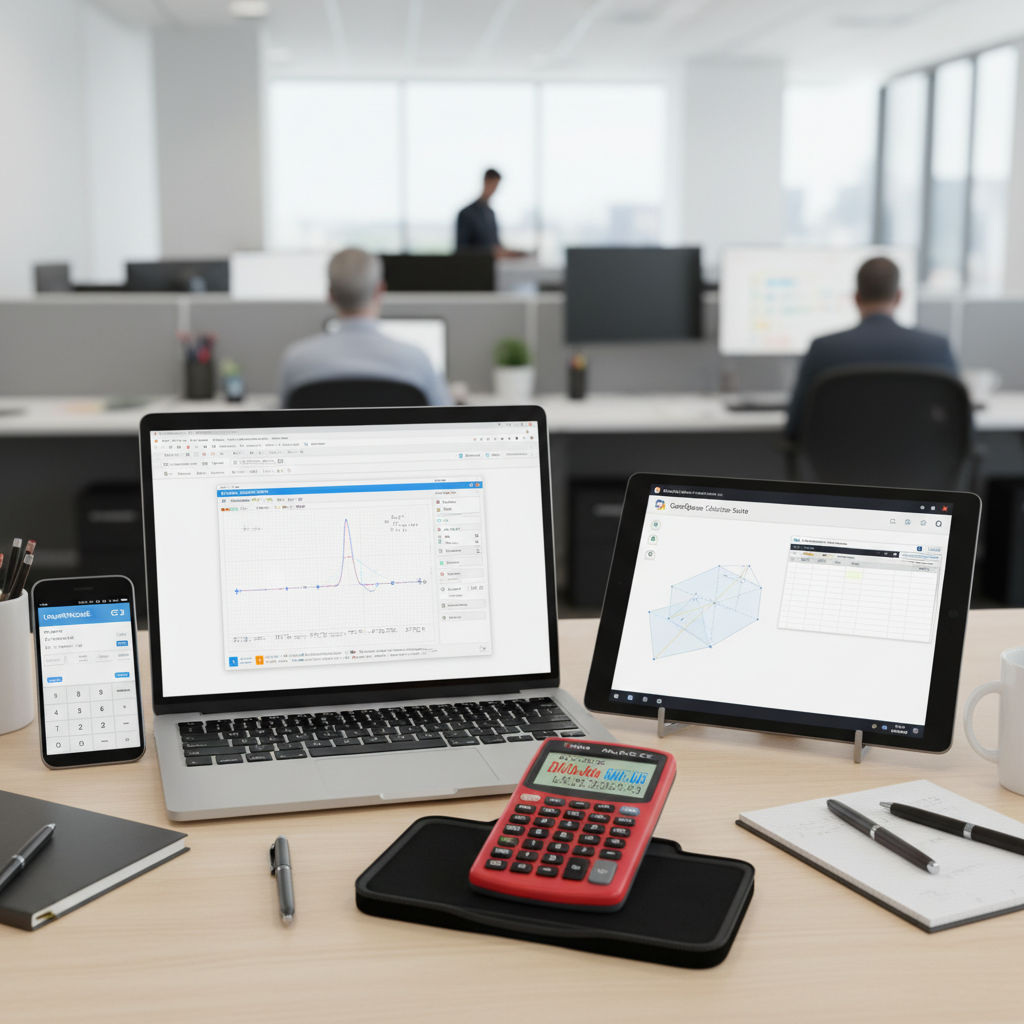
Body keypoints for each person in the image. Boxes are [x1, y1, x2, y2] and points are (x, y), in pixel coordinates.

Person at [786, 257, 957, 439]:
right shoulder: (937, 348)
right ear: (899, 297)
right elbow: (961, 429)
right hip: (920, 456)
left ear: (856, 298)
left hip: (841, 457)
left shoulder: (823, 349)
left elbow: (795, 427)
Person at [278, 248, 451, 406]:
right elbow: (445, 420)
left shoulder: (296, 362)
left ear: (330, 294)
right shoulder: (417, 361)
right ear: (380, 290)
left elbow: (283, 423)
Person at [455, 169, 524, 257]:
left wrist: (508, 252)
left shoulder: (491, 214)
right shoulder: (466, 213)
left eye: (496, 186)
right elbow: (462, 249)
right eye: (493, 185)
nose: (494, 189)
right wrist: (491, 252)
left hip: (492, 264)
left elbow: (496, 244)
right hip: (474, 264)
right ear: (485, 181)